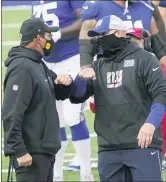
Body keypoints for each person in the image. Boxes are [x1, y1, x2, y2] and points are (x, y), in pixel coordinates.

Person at [70, 15, 166, 181]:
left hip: (142, 145)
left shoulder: (145, 59)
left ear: (120, 33)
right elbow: (77, 97)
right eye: (97, 35)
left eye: (103, 34)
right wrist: (79, 78)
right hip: (109, 149)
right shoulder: (97, 65)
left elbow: (162, 93)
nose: (99, 39)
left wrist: (150, 124)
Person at [2, 18, 75, 182]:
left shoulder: (38, 65)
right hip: (30, 155)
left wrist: (66, 82)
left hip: (43, 153)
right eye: (48, 36)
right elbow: (11, 113)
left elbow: (59, 91)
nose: (51, 40)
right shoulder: (22, 68)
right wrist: (19, 150)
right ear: (38, 38)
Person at [31, 1, 93, 180]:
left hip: (72, 57)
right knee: (54, 121)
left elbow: (86, 20)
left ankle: (86, 174)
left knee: (73, 117)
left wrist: (61, 32)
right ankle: (56, 176)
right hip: (47, 62)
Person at [79, 0, 166, 68]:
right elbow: (86, 45)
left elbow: (158, 46)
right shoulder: (97, 5)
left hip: (143, 67)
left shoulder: (146, 5)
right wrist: (86, 68)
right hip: (111, 68)